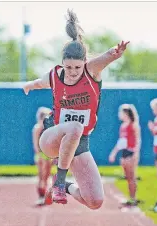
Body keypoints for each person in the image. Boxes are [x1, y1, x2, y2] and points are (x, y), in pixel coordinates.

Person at [23, 9, 129, 209]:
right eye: (68, 67)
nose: (72, 73)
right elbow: (39, 82)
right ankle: (60, 181)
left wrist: (115, 54)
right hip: (52, 138)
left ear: (84, 64)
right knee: (74, 127)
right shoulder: (56, 76)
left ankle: (64, 185)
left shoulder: (91, 72)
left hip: (80, 144)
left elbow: (106, 57)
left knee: (95, 201)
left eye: (77, 68)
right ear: (63, 63)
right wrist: (29, 85)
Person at [109, 104, 141, 207]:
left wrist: (135, 154)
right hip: (124, 152)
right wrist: (113, 153)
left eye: (121, 112)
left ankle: (133, 198)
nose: (119, 115)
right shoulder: (123, 126)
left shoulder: (133, 125)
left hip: (131, 152)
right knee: (128, 177)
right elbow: (121, 142)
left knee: (132, 176)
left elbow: (138, 140)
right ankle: (131, 198)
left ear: (126, 113)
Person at [32, 107, 55, 205]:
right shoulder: (37, 128)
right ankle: (41, 195)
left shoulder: (49, 128)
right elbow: (35, 144)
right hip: (41, 154)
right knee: (41, 175)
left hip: (48, 154)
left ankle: (46, 194)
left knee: (47, 175)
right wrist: (39, 155)